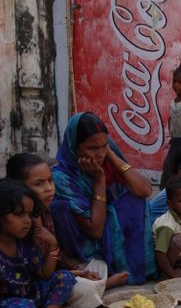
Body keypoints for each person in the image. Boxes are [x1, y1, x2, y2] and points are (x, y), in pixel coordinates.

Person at [6, 153, 128, 308]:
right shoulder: (17, 224)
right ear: (19, 186)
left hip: (50, 275)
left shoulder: (46, 212)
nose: (49, 188)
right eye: (39, 184)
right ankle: (102, 286)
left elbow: (56, 257)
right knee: (83, 288)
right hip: (30, 286)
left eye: (50, 180)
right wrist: (73, 275)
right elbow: (34, 274)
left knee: (98, 266)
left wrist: (78, 271)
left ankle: (92, 288)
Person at [51, 112, 156, 286]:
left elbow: (145, 190)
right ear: (74, 147)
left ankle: (137, 267)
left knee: (135, 199)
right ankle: (105, 271)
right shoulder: (62, 178)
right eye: (93, 148)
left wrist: (111, 155)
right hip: (86, 241)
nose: (100, 153)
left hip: (104, 223)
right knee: (61, 207)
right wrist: (99, 180)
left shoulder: (106, 159)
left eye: (104, 145)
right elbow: (95, 230)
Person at [0, 179, 76, 308]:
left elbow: (45, 274)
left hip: (31, 295)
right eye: (19, 214)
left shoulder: (24, 243)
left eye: (29, 214)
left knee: (64, 276)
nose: (27, 221)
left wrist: (53, 244)